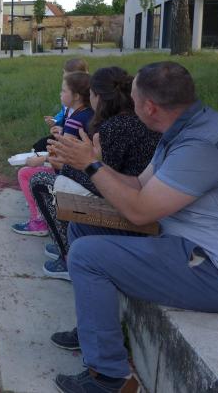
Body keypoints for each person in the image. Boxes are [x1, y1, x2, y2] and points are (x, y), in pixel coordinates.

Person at [46, 61, 218, 393]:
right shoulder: (184, 128)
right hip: (188, 246)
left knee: (87, 256)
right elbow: (138, 185)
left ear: (149, 107)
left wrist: (90, 166)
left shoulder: (200, 147)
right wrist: (96, 163)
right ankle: (94, 329)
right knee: (83, 228)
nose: (129, 102)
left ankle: (110, 378)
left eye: (133, 97)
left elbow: (139, 212)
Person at [29, 67, 160, 280]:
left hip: (130, 211)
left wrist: (67, 165)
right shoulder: (136, 121)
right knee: (59, 182)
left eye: (91, 94)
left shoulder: (113, 127)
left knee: (40, 182)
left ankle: (67, 257)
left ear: (98, 97)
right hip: (144, 202)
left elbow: (101, 184)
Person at [12, 72, 93, 237]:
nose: (60, 94)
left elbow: (63, 158)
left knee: (25, 173)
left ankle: (39, 221)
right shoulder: (87, 113)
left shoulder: (74, 120)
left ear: (76, 96)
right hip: (84, 173)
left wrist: (41, 160)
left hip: (72, 175)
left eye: (64, 91)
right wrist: (61, 133)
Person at [33, 57, 89, 153]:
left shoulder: (81, 113)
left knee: (41, 147)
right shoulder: (73, 103)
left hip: (73, 146)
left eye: (63, 91)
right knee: (39, 145)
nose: (60, 94)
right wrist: (56, 121)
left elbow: (68, 146)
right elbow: (63, 113)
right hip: (66, 135)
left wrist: (47, 157)